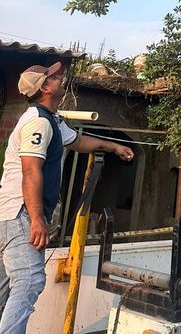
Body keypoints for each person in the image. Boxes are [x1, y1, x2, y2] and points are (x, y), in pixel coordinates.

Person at [0, 62, 134, 334]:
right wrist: (37, 219)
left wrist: (114, 146)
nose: (60, 77)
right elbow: (31, 170)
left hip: (13, 214)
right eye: (54, 76)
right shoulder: (37, 122)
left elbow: (77, 142)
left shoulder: (51, 119)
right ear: (45, 87)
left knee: (6, 285)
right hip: (21, 213)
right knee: (29, 280)